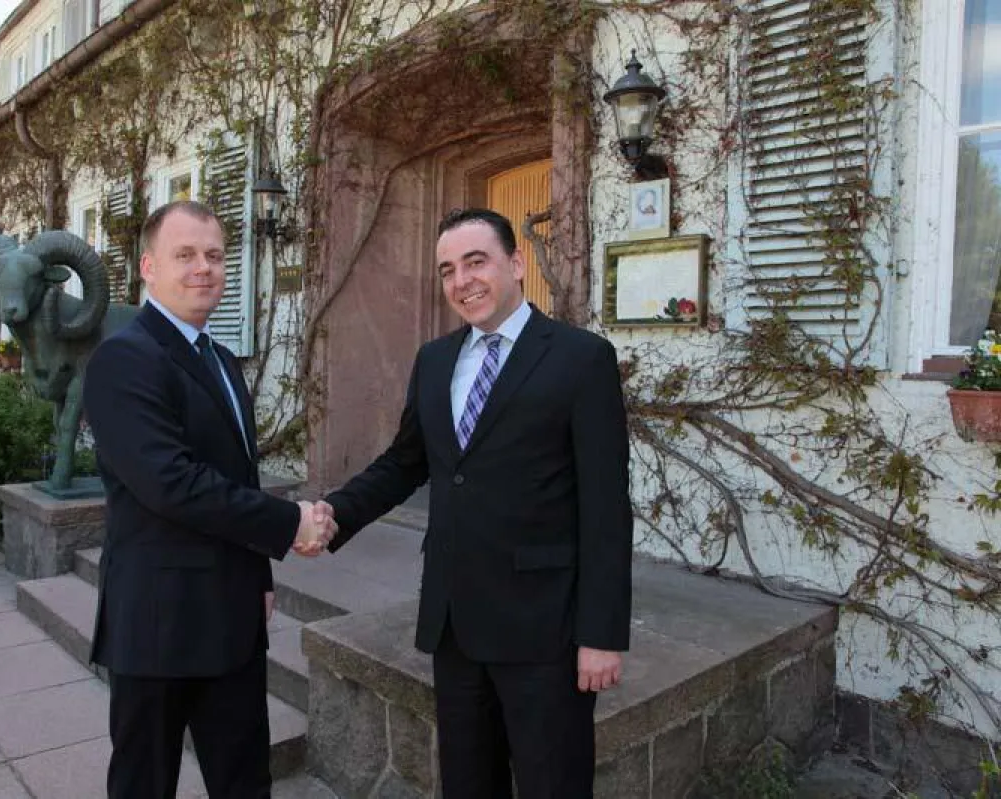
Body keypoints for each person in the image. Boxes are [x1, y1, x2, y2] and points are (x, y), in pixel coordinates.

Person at [317, 207, 633, 798]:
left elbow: (607, 507)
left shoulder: (580, 358)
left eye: (476, 261)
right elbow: (406, 462)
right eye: (446, 270)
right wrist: (335, 514)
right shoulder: (435, 361)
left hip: (546, 631)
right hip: (456, 624)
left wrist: (602, 633)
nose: (461, 281)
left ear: (516, 263)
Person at [83, 200, 334, 799]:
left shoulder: (221, 360)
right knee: (146, 783)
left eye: (215, 256)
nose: (204, 268)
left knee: (245, 779)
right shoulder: (123, 359)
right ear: (148, 266)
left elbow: (235, 477)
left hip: (233, 618)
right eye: (186, 255)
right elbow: (173, 483)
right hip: (159, 623)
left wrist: (259, 578)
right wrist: (290, 520)